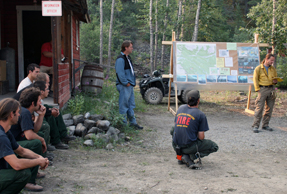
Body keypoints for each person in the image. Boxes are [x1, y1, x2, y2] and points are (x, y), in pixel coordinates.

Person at [0, 98, 49, 192]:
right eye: (18, 112)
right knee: (23, 174)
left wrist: (39, 157)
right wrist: (38, 162)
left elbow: (21, 151)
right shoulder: (1, 136)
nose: (19, 114)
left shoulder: (5, 131)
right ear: (11, 114)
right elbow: (17, 165)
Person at [171, 90, 218, 169]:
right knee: (214, 146)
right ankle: (189, 156)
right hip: (188, 147)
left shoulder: (181, 108)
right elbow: (201, 137)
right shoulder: (200, 114)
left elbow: (176, 126)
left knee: (173, 129)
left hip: (176, 145)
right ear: (198, 100)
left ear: (187, 100)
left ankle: (180, 155)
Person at [33, 81, 75, 149]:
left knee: (54, 109)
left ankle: (63, 135)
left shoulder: (41, 100)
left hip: (38, 113)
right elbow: (37, 111)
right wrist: (50, 112)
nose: (49, 91)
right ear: (42, 92)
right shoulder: (35, 99)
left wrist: (52, 110)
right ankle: (55, 141)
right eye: (47, 89)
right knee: (50, 115)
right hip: (34, 117)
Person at [115, 40, 143, 130]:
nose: (132, 48)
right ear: (126, 48)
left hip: (129, 85)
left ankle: (133, 123)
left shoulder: (128, 58)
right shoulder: (120, 59)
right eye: (131, 46)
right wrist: (125, 83)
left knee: (131, 104)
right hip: (124, 86)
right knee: (123, 105)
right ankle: (123, 125)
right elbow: (120, 73)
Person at [252, 53, 278, 133]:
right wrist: (258, 90)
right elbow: (255, 79)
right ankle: (256, 125)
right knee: (259, 108)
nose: (272, 62)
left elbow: (275, 79)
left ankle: (265, 125)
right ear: (266, 59)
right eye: (271, 60)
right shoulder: (258, 68)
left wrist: (275, 81)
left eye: (273, 61)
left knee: (269, 108)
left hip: (271, 89)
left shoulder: (272, 69)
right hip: (262, 89)